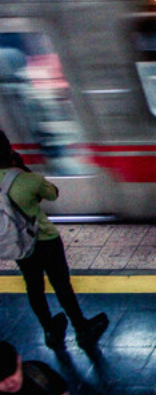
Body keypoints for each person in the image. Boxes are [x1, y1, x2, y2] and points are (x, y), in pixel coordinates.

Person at [1, 131, 108, 349]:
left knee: (33, 286)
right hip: (45, 239)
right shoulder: (27, 179)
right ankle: (82, 329)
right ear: (8, 150)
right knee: (61, 285)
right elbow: (52, 193)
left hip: (18, 244)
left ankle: (50, 331)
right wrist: (22, 168)